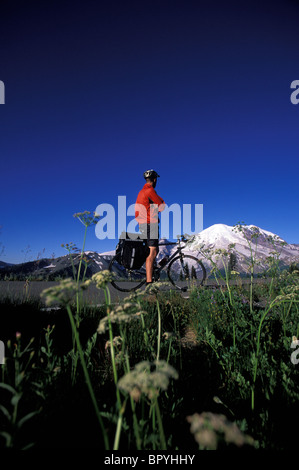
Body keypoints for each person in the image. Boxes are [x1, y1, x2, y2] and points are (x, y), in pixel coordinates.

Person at [135, 169, 166, 285]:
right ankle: (149, 282)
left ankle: (153, 271)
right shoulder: (150, 191)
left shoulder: (141, 192)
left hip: (142, 225)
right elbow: (162, 206)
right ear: (154, 179)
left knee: (154, 250)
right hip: (150, 224)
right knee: (152, 252)